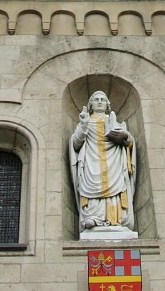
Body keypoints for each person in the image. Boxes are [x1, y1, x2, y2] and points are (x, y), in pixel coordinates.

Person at [69, 91, 136, 234]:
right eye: (96, 100)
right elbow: (75, 144)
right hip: (92, 162)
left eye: (102, 100)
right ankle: (95, 217)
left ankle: (116, 219)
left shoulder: (115, 122)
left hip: (114, 163)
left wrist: (125, 137)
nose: (99, 102)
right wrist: (83, 126)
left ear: (107, 105)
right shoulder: (85, 121)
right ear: (91, 104)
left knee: (116, 188)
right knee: (92, 187)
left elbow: (129, 143)